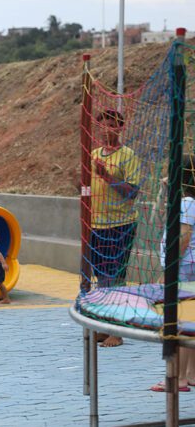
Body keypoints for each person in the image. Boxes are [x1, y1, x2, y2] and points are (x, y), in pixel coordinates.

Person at [90, 109, 141, 347]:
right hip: (96, 224)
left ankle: (118, 332)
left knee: (116, 277)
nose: (106, 130)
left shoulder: (128, 156)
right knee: (101, 278)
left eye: (111, 125)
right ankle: (104, 325)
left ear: (120, 128)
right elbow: (88, 187)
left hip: (121, 224)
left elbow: (131, 193)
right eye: (102, 126)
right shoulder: (93, 154)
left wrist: (107, 176)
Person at [150, 155, 195, 392]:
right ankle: (190, 374)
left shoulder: (187, 203)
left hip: (184, 270)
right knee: (191, 322)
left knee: (177, 322)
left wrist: (169, 270)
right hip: (191, 270)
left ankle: (176, 377)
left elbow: (184, 236)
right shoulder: (190, 200)